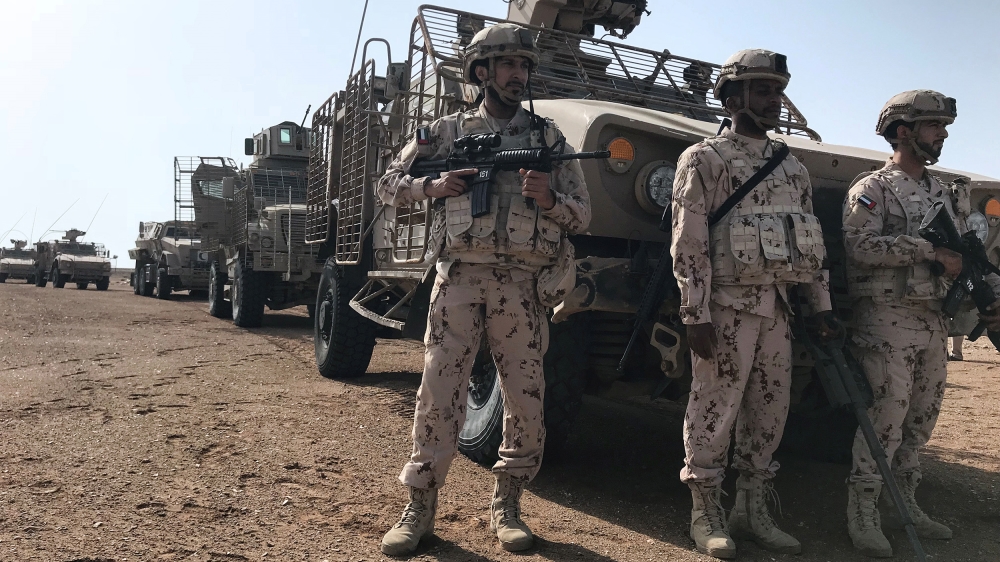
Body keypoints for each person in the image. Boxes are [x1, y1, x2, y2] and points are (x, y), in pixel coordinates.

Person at [375, 23, 591, 556]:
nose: (519, 76)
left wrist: (548, 202)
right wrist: (435, 185)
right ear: (482, 72)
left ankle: (508, 504)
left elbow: (582, 216)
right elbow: (387, 186)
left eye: (524, 68)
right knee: (437, 394)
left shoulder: (548, 140)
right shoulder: (442, 133)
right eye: (509, 66)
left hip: (522, 286)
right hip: (459, 279)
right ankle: (420, 507)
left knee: (525, 399)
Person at [670, 49, 839, 559]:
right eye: (763, 90)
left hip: (778, 310)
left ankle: (752, 507)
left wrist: (822, 306)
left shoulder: (791, 167)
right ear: (732, 96)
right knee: (714, 410)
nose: (774, 100)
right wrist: (694, 314)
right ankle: (705, 512)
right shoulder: (704, 159)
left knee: (770, 412)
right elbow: (689, 245)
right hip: (724, 308)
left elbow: (812, 244)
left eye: (778, 89)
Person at [841, 90, 1000, 557]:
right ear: (904, 131)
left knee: (921, 420)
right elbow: (858, 247)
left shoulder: (942, 192)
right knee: (884, 419)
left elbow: (969, 256)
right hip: (886, 319)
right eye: (934, 126)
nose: (943, 134)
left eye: (944, 127)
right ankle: (863, 510)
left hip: (932, 320)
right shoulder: (872, 189)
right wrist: (928, 251)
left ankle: (904, 503)